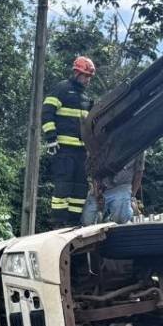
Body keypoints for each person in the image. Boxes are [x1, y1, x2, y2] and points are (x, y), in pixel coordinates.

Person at [42, 56, 95, 227]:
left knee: (80, 188)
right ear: (76, 72)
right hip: (63, 149)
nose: (87, 80)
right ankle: (58, 222)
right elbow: (47, 112)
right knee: (63, 186)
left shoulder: (86, 98)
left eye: (89, 77)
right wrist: (51, 139)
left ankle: (73, 223)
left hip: (81, 151)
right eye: (85, 75)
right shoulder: (62, 89)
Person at [82, 151, 145, 225]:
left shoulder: (138, 145)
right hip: (101, 187)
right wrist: (97, 194)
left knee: (121, 220)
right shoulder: (100, 141)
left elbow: (139, 173)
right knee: (87, 221)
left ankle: (129, 209)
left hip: (122, 186)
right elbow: (93, 170)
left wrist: (132, 196)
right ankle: (105, 217)